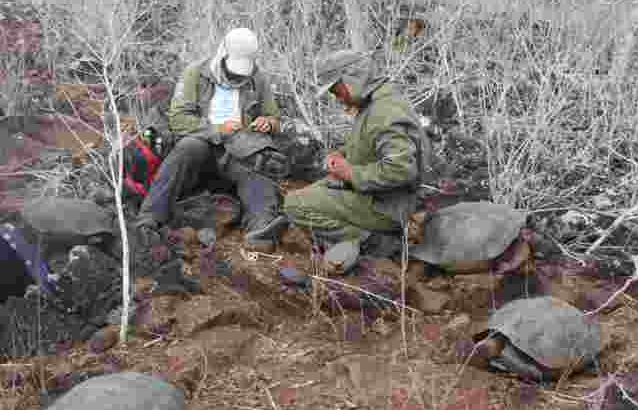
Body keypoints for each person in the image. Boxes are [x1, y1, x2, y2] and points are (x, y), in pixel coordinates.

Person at [135, 27, 290, 248]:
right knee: (187, 148)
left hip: (240, 148)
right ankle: (149, 218)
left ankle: (260, 229)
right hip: (203, 143)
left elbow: (274, 117)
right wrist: (218, 129)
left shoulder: (258, 78)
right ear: (222, 55)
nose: (236, 77)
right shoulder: (195, 73)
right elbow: (179, 119)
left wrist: (269, 122)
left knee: (259, 164)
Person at [283, 48, 432, 274]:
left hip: (388, 207)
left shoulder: (384, 111)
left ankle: (376, 243)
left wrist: (350, 173)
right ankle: (362, 238)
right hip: (381, 197)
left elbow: (401, 170)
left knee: (295, 205)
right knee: (312, 192)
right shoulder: (378, 101)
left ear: (352, 78)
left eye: (335, 89)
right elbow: (375, 144)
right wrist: (343, 155)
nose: (336, 96)